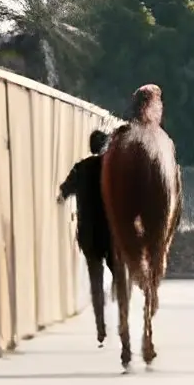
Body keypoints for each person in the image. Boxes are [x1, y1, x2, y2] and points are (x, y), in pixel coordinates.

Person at [59, 126, 114, 343]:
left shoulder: (80, 169)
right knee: (117, 271)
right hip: (110, 233)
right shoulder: (112, 170)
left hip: (88, 234)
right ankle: (121, 312)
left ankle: (100, 324)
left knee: (95, 278)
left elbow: (63, 192)